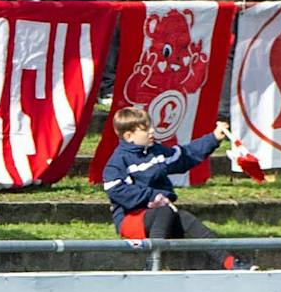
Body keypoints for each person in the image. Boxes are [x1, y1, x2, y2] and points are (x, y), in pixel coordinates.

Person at [102, 107, 241, 261]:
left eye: (151, 126)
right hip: (130, 221)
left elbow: (185, 156)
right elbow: (117, 191)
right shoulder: (116, 163)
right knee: (164, 210)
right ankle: (153, 262)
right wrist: (154, 197)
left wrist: (214, 138)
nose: (152, 131)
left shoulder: (156, 151)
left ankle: (233, 262)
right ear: (129, 136)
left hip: (160, 217)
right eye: (145, 129)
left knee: (185, 218)